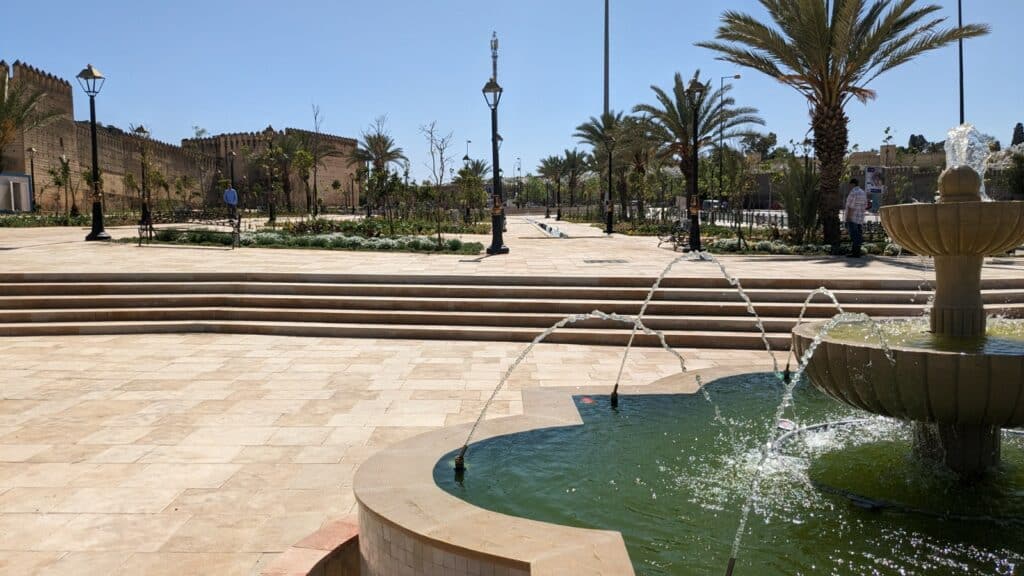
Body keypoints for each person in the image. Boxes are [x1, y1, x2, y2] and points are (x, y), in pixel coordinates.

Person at [845, 178, 868, 258]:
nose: (849, 186)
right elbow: (866, 205)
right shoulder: (863, 192)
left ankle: (855, 253)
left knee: (854, 236)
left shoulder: (853, 192)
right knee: (858, 236)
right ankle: (857, 252)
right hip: (860, 218)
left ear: (853, 184)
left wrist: (848, 217)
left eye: (850, 185)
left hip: (853, 218)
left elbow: (851, 206)